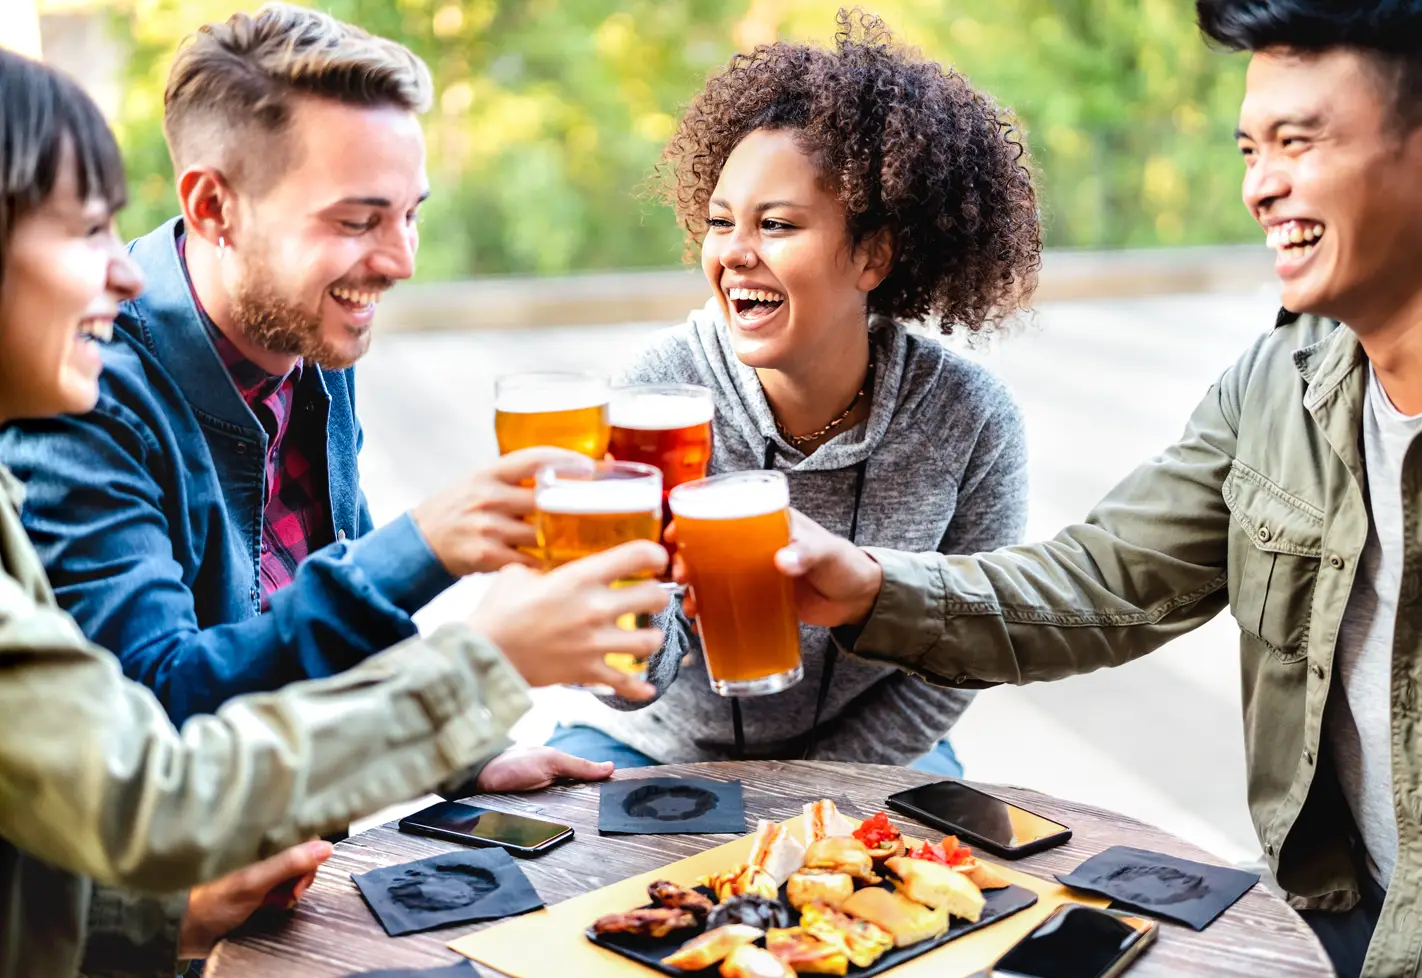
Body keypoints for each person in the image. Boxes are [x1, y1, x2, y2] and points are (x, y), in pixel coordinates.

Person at [675, 2, 1422, 975]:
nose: (1262, 187)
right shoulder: (1279, 383)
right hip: (1332, 911)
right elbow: (1103, 585)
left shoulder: (967, 413)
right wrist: (873, 588)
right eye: (1249, 149)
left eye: (1298, 142)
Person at [0, 48, 667, 977]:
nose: (399, 260)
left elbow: (298, 602)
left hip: (248, 899)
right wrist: (438, 586)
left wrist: (462, 752)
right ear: (212, 209)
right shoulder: (81, 393)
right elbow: (152, 735)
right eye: (359, 221)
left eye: (410, 215)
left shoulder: (300, 333)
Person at [551, 10, 1039, 771]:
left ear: (872, 254)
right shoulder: (660, 399)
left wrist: (820, 785)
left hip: (874, 752)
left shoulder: (969, 421)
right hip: (656, 745)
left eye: (775, 225)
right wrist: (616, 614)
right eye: (720, 222)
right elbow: (628, 684)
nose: (734, 254)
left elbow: (965, 644)